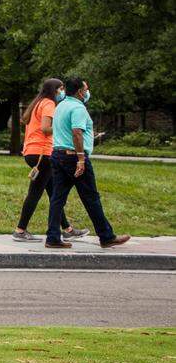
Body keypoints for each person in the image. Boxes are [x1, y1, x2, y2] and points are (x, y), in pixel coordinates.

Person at [45, 77, 130, 249]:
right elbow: (77, 133)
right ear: (79, 91)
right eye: (86, 89)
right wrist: (81, 158)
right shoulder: (78, 108)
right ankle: (106, 236)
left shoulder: (61, 106)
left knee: (57, 198)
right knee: (91, 197)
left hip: (58, 155)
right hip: (73, 157)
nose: (87, 92)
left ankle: (53, 237)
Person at [13, 77, 86, 242]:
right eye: (61, 89)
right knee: (35, 193)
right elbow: (46, 129)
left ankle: (67, 229)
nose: (63, 92)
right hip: (42, 154)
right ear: (55, 90)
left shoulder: (38, 103)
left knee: (54, 193)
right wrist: (64, 127)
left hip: (34, 152)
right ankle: (20, 230)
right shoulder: (48, 104)